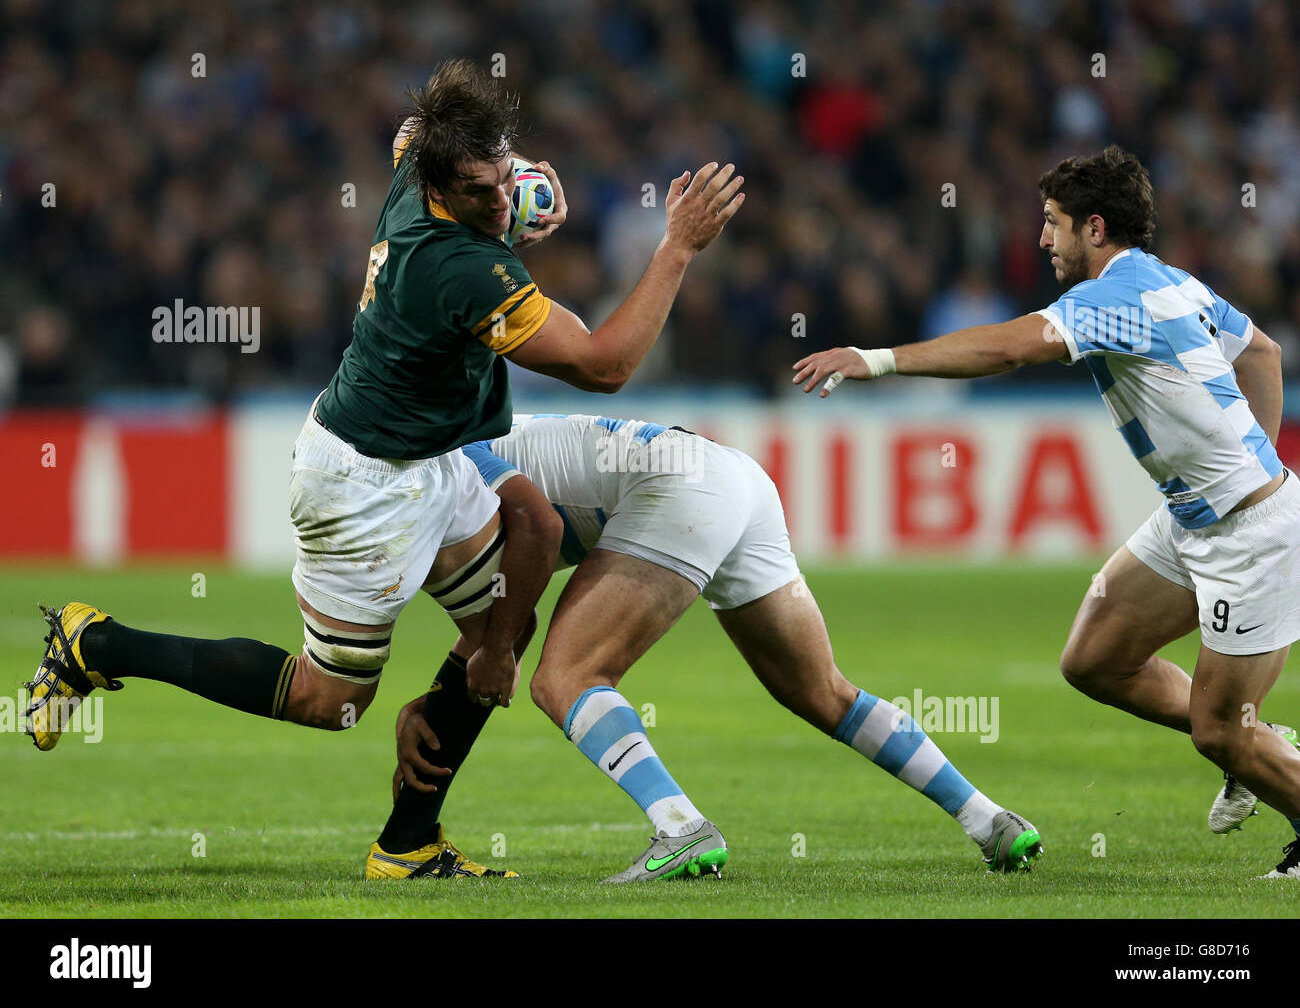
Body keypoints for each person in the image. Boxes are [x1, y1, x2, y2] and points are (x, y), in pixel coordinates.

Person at [25, 58, 746, 882]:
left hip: (427, 457)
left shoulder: (421, 160)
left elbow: (415, 133)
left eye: (502, 178)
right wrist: (678, 247)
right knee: (329, 703)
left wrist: (527, 188)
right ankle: (98, 642)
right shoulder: (459, 266)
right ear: (440, 189)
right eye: (481, 193)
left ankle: (407, 843)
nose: (500, 201)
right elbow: (605, 364)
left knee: (514, 591)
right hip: (359, 483)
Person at [792, 145, 1300, 880]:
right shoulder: (1172, 284)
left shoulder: (1110, 299)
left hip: (1250, 534)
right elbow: (1264, 353)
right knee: (1094, 660)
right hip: (1195, 518)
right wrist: (1256, 456)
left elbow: (1005, 350)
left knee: (1218, 730)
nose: (1041, 239)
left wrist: (877, 359)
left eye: (1053, 223)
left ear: (1095, 228)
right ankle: (1264, 743)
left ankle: (1260, 757)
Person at [388, 413, 1044, 881]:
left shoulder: (446, 461)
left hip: (679, 490)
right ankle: (989, 820)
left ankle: (680, 826)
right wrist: (445, 694)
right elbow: (508, 613)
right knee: (825, 692)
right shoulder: (480, 441)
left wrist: (465, 674)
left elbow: (532, 552)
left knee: (566, 678)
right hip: (731, 476)